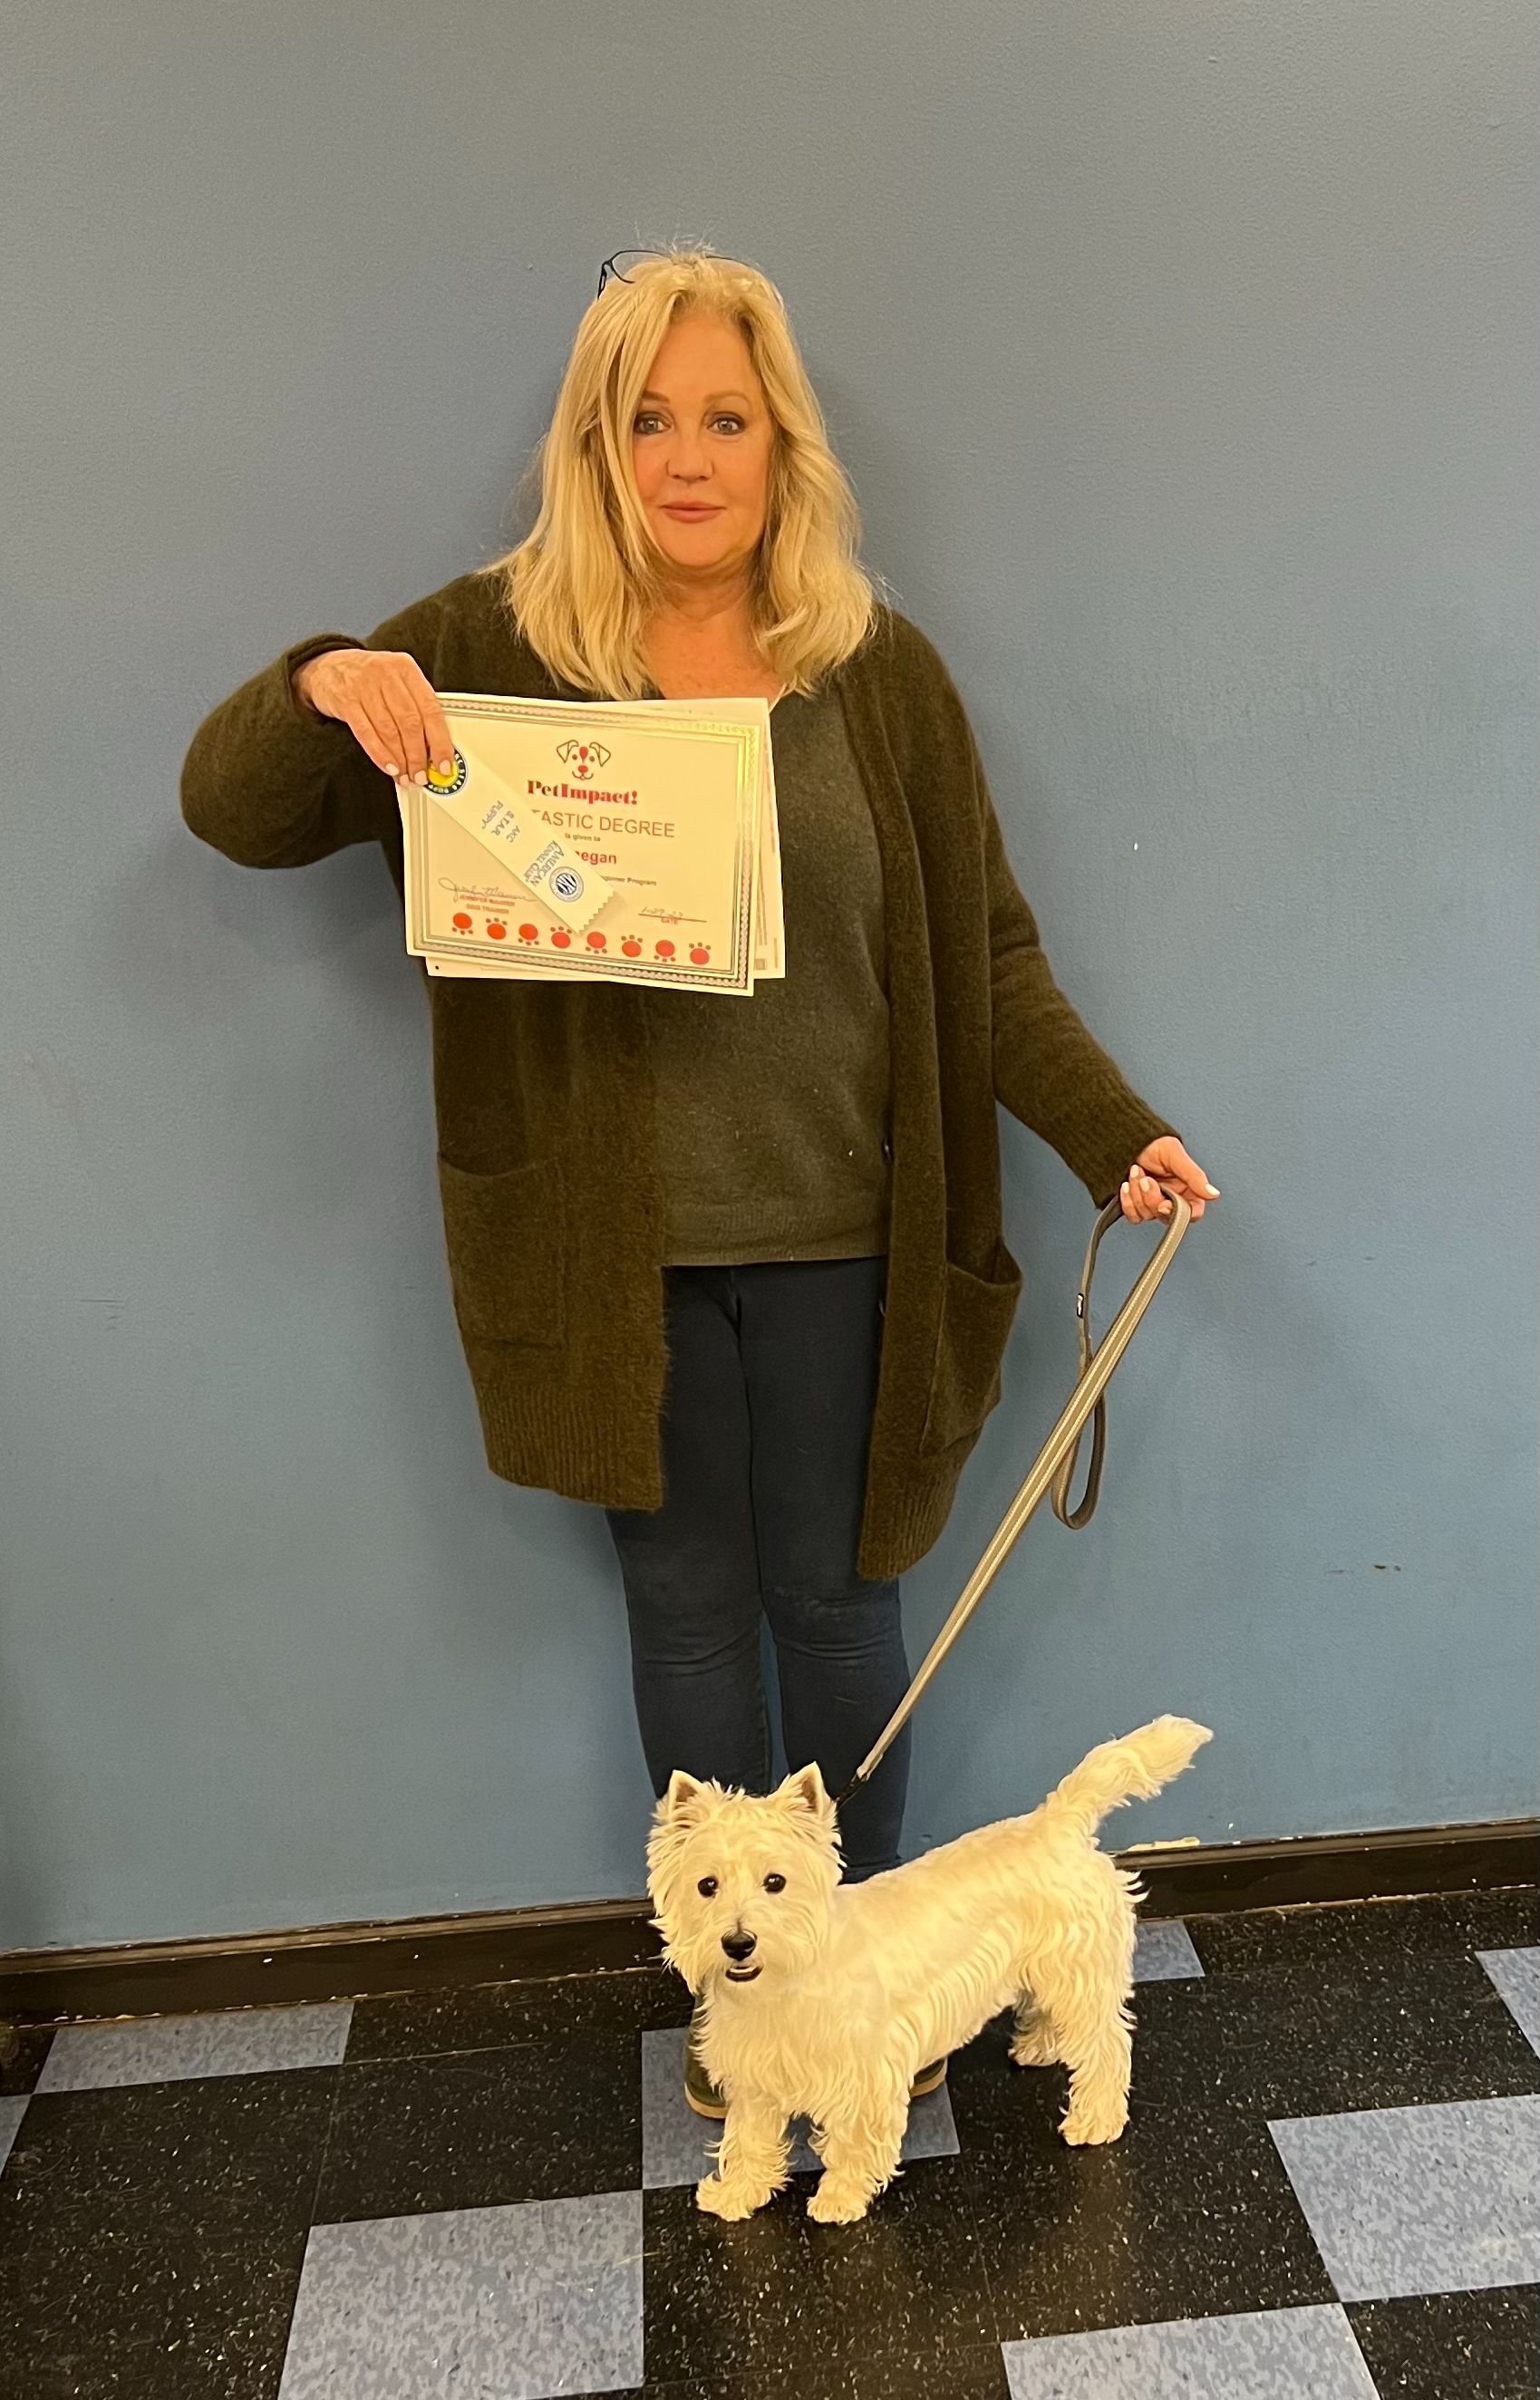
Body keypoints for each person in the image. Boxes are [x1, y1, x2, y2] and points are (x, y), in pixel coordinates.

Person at [180, 246, 1220, 2115]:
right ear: (595, 440)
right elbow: (234, 806)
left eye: (723, 416)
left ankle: (861, 1994)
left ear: (779, 440)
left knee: (838, 1614)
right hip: (611, 1261)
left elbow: (984, 957)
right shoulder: (494, 647)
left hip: (854, 1248)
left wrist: (1109, 1128)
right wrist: (329, 679)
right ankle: (744, 2028)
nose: (685, 454)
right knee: (680, 1622)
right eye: (644, 416)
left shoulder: (875, 670)